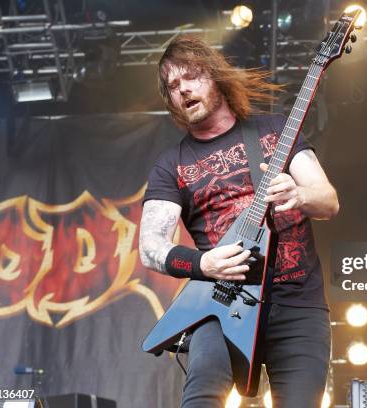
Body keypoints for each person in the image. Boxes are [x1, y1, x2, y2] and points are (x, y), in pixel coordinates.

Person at [139, 35, 339, 408]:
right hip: (220, 304)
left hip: (297, 304)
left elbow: (328, 202)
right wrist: (203, 263)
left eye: (191, 77)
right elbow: (151, 249)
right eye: (172, 86)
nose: (182, 90)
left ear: (215, 76)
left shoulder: (275, 129)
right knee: (202, 395)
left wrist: (299, 195)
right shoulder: (171, 165)